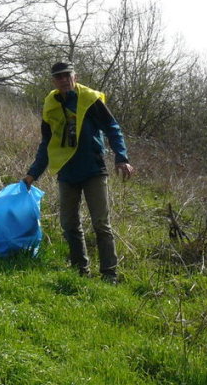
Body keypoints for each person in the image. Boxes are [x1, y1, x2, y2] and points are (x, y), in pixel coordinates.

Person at [23, 61, 134, 282]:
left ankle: (109, 274)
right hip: (67, 171)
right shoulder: (50, 105)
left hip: (93, 169)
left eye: (67, 75)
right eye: (59, 77)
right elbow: (47, 143)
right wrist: (33, 174)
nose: (64, 80)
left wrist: (121, 157)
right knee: (69, 224)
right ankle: (80, 271)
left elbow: (112, 127)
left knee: (101, 224)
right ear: (53, 81)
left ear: (75, 76)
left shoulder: (90, 99)